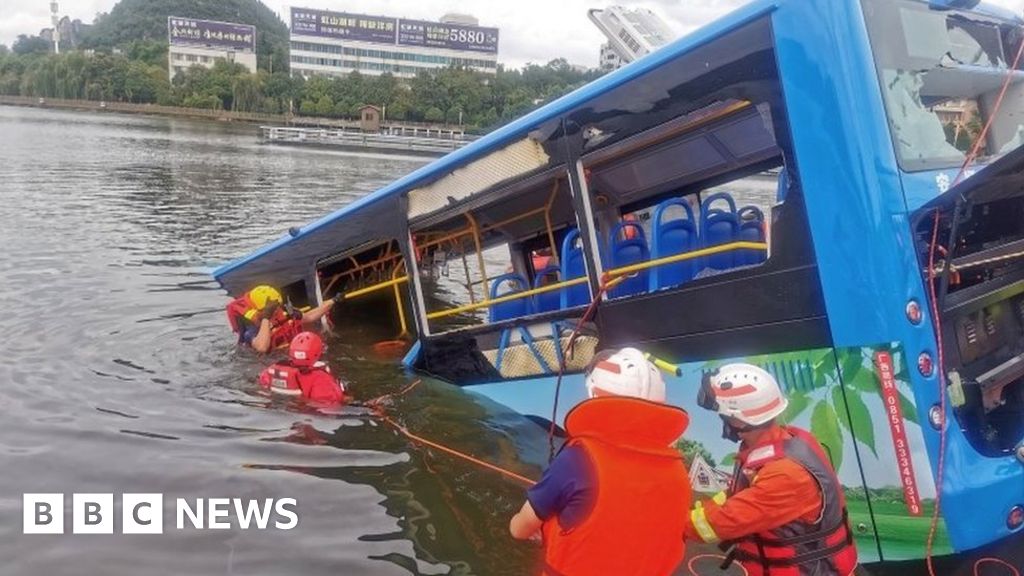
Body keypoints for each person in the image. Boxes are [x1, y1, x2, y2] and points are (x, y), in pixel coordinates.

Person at [509, 348, 692, 576]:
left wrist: (540, 526)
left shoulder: (578, 459)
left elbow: (519, 529)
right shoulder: (677, 470)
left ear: (595, 393)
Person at [686, 363, 858, 576]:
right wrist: (693, 507)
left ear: (738, 419)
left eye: (723, 415)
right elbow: (737, 496)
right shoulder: (780, 442)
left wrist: (669, 523)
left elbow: (723, 522)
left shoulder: (785, 475)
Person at [226, 285, 340, 353]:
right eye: (272, 309)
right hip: (270, 362)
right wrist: (266, 317)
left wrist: (333, 301)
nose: (276, 311)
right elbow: (262, 347)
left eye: (277, 307)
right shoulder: (252, 330)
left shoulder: (282, 313)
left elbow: (309, 317)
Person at [258, 332, 346, 404]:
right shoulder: (320, 378)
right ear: (318, 353)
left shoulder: (270, 370)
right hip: (304, 412)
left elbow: (261, 387)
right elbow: (330, 405)